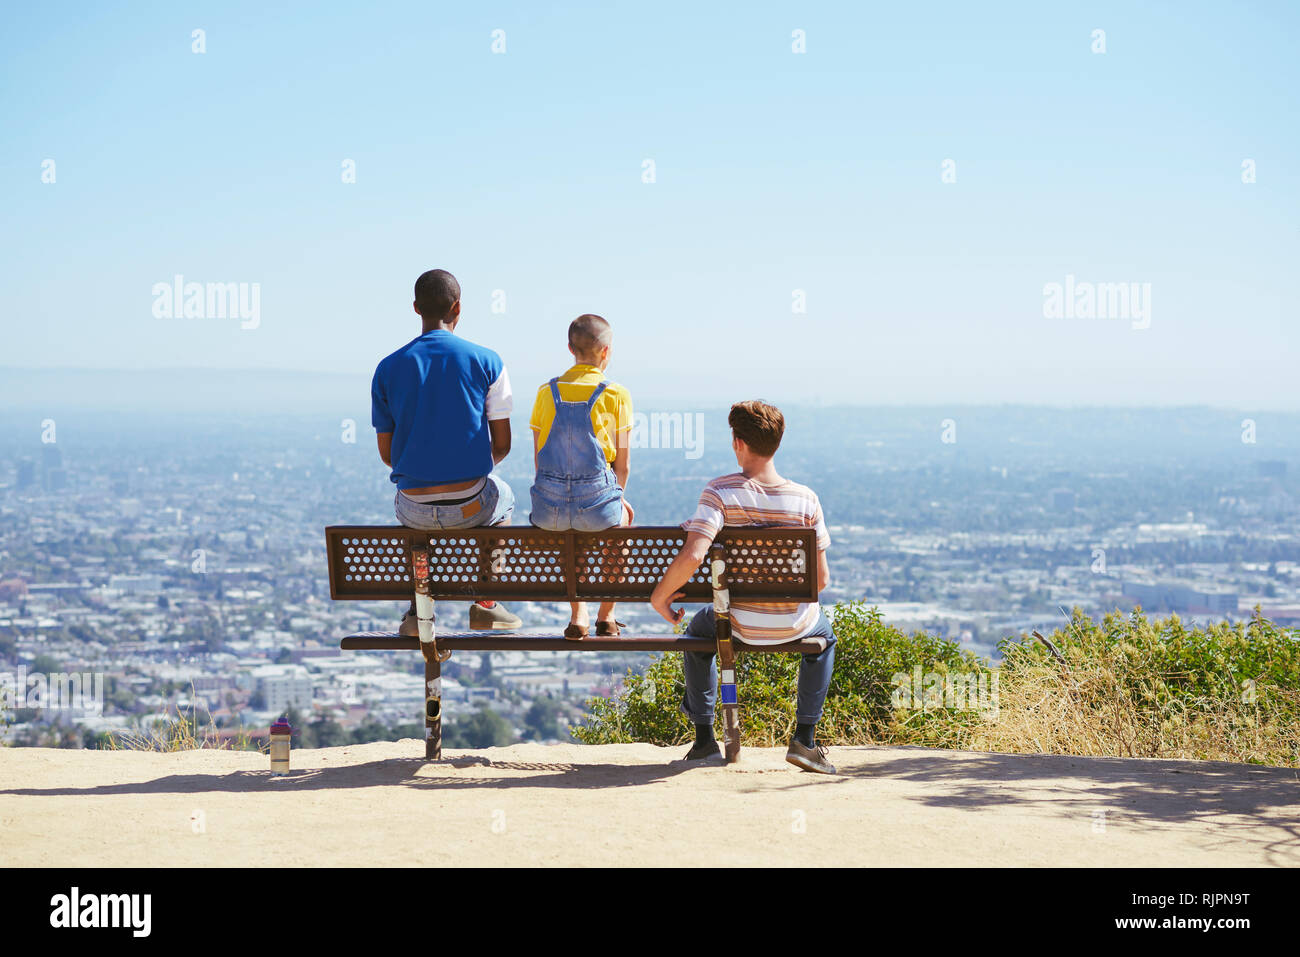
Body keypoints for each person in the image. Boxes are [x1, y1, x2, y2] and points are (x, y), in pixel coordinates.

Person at [649, 400, 836, 773]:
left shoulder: (719, 492)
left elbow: (694, 554)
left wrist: (659, 596)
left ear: (737, 443)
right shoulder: (805, 500)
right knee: (826, 639)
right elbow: (822, 580)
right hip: (794, 624)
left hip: (733, 623)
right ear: (778, 443)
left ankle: (704, 739)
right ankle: (805, 739)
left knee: (696, 638)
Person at [371, 268, 523, 633]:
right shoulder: (488, 362)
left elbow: (388, 454)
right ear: (458, 307)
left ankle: (417, 613)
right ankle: (486, 603)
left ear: (415, 308)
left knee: (414, 512)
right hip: (471, 504)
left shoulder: (388, 368)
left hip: (414, 507)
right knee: (504, 494)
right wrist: (465, 468)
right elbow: (501, 445)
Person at [528, 314, 634, 638]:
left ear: (570, 349)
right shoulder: (616, 394)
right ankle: (607, 614)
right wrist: (611, 500)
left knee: (569, 532)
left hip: (550, 511)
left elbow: (538, 459)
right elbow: (624, 466)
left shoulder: (546, 393)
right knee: (624, 517)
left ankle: (579, 614)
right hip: (597, 506)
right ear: (606, 352)